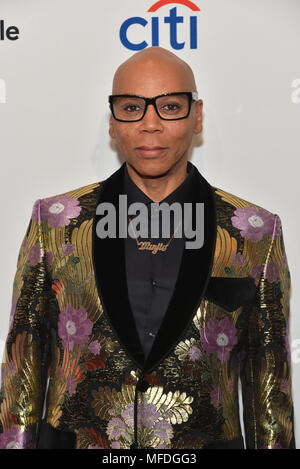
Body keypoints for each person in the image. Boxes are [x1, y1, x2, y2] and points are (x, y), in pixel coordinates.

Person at [0, 46, 295, 450]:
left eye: (170, 107)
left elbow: (270, 387)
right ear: (113, 120)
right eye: (132, 107)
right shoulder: (55, 222)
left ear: (197, 116)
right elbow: (22, 366)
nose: (150, 124)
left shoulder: (255, 233)